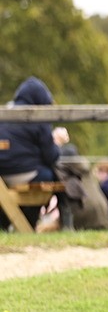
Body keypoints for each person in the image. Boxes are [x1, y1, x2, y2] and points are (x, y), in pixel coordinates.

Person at [0, 77, 71, 231]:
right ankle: (28, 225)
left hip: (2, 174)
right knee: (49, 175)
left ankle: (6, 224)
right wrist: (56, 142)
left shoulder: (4, 112)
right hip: (24, 173)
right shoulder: (38, 116)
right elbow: (51, 157)